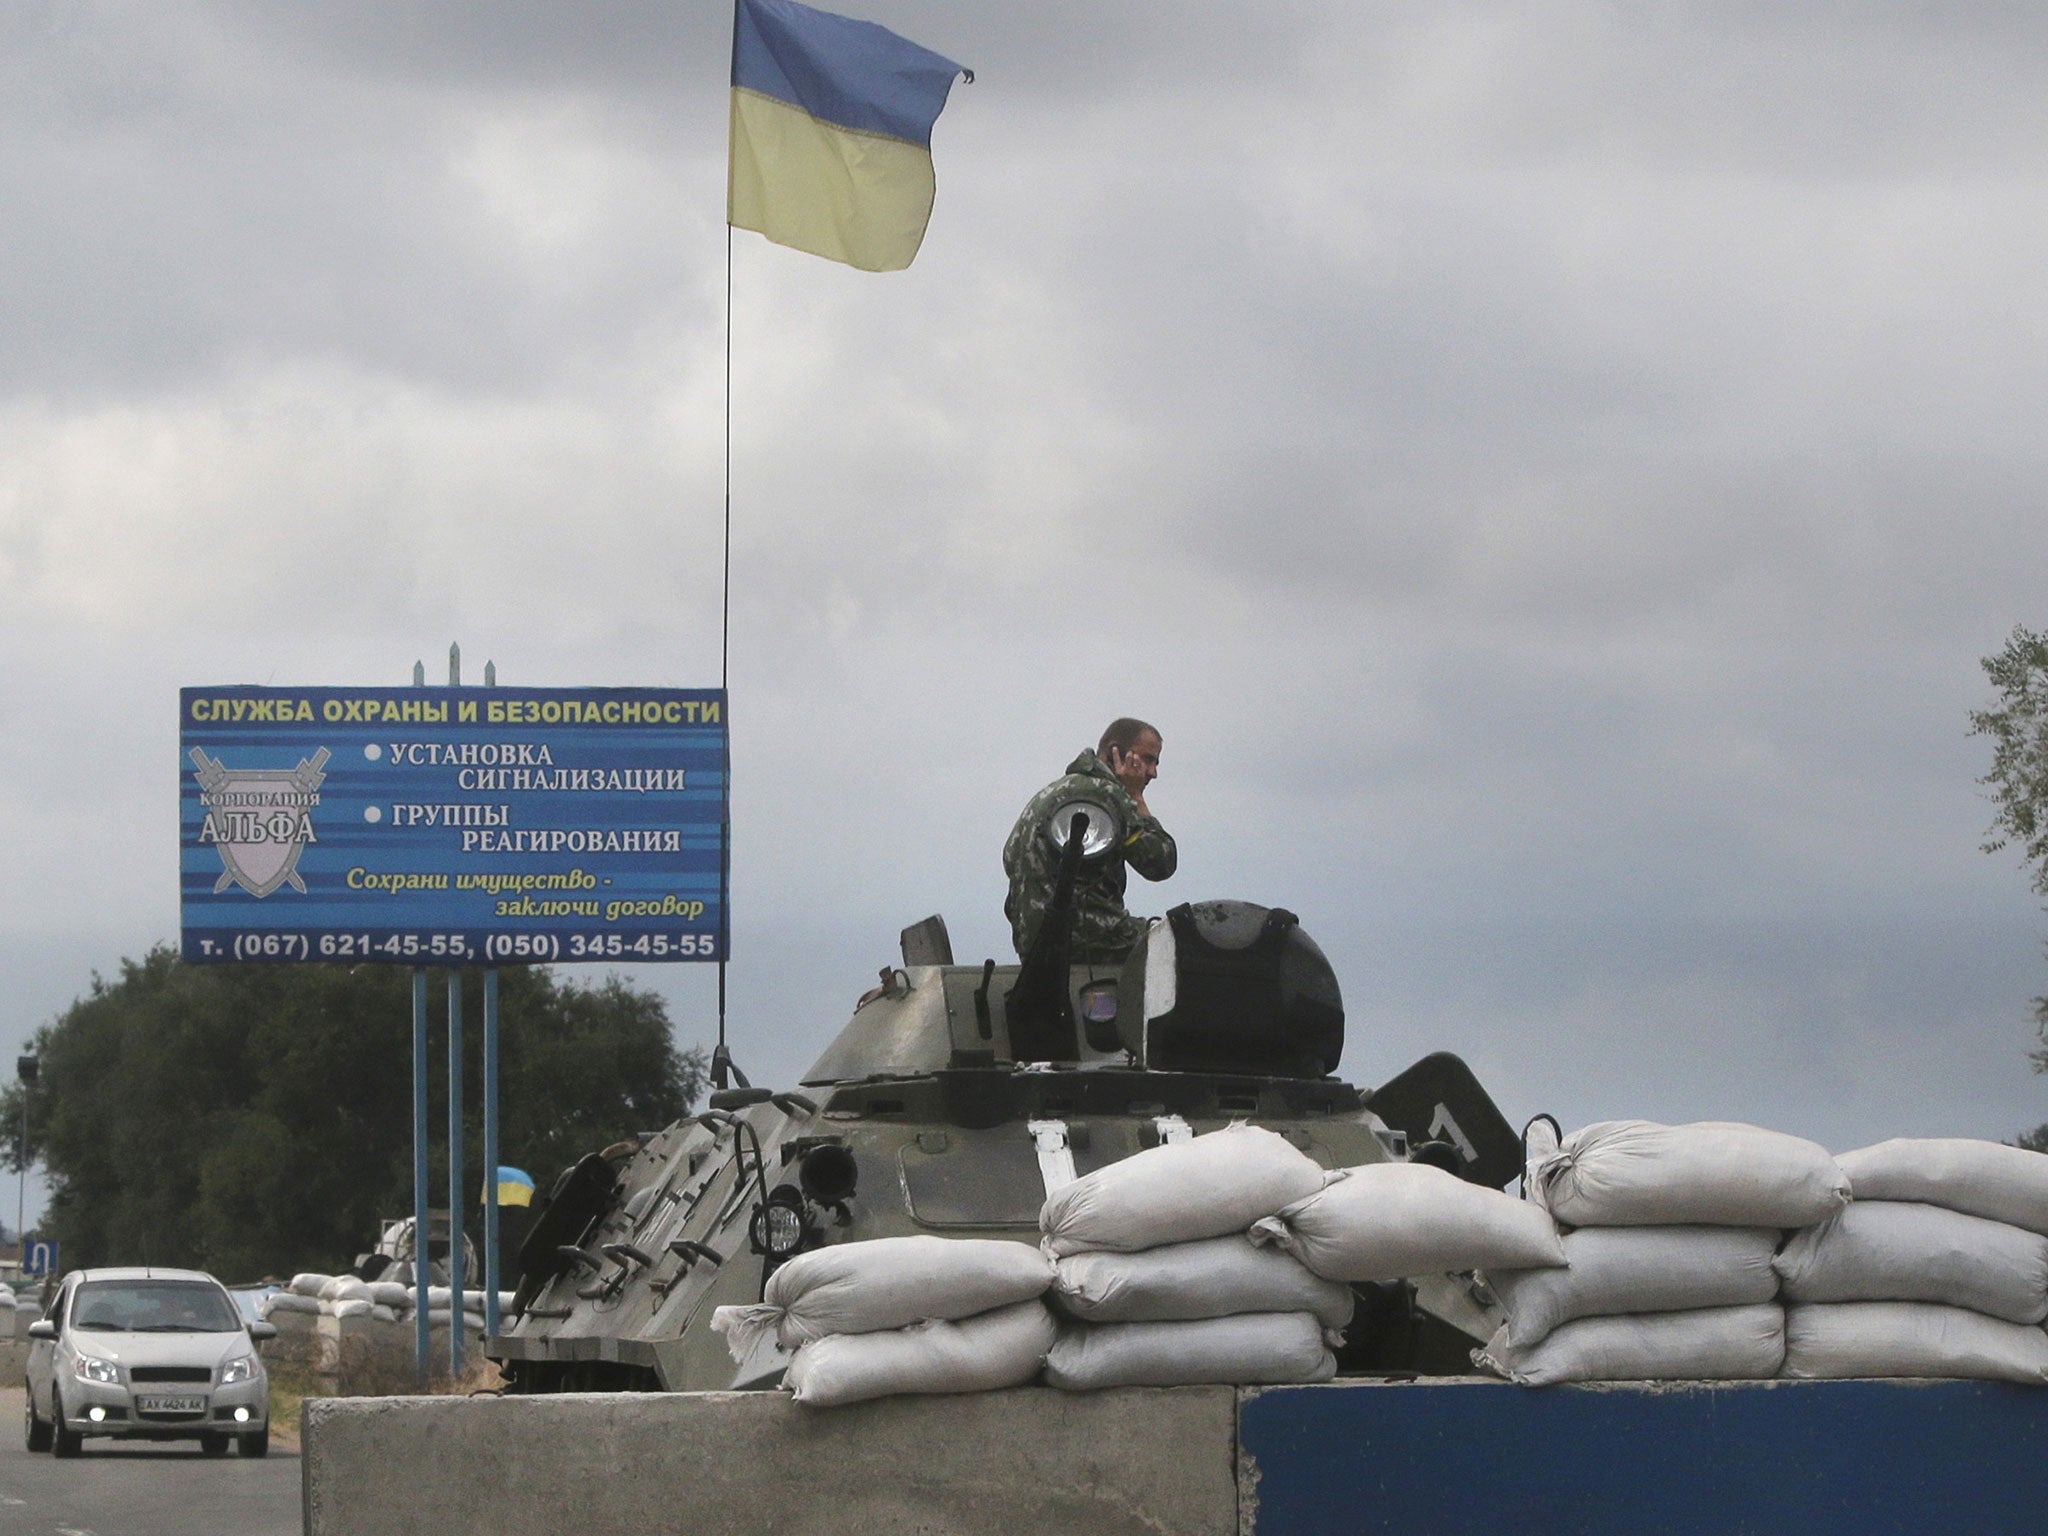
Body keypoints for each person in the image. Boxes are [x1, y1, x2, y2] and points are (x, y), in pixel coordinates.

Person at [1003, 718, 1176, 963]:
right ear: (1115, 751)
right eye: (1148, 759)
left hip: (1035, 948)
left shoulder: (1052, 792)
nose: (1153, 773)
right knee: (1177, 945)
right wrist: (1136, 796)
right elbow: (1161, 862)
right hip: (1088, 939)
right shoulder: (1105, 794)